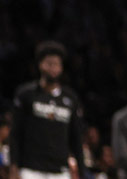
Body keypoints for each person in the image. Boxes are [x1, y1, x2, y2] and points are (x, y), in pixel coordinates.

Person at [9, 41, 85, 179]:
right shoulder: (26, 94)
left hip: (60, 171)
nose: (53, 68)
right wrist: (13, 166)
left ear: (61, 67)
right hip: (31, 170)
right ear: (40, 65)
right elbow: (15, 133)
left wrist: (81, 170)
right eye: (49, 63)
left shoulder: (71, 98)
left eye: (57, 64)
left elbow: (76, 138)